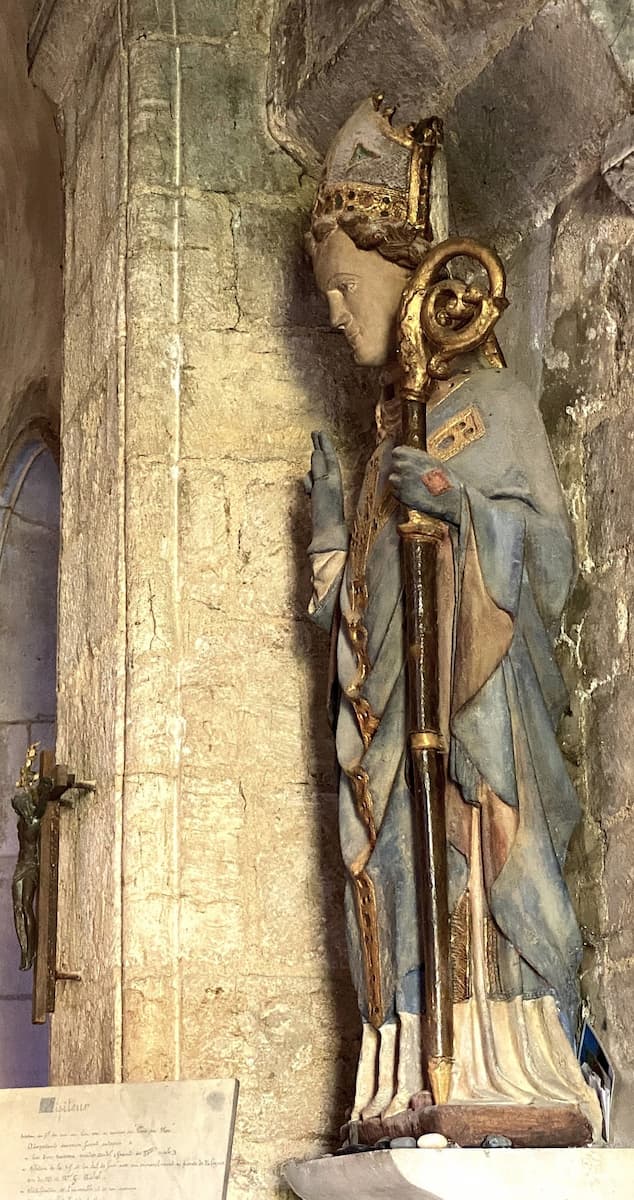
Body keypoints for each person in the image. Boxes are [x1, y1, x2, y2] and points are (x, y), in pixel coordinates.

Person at [304, 96, 601, 1133]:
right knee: (391, 866)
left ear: (404, 268)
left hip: (480, 724)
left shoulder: (492, 404)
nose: (337, 318)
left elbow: (549, 560)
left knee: (483, 866)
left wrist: (461, 507)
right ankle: (407, 1068)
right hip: (394, 736)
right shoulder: (386, 436)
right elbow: (372, 619)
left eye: (343, 290)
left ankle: (507, 1069)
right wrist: (340, 549)